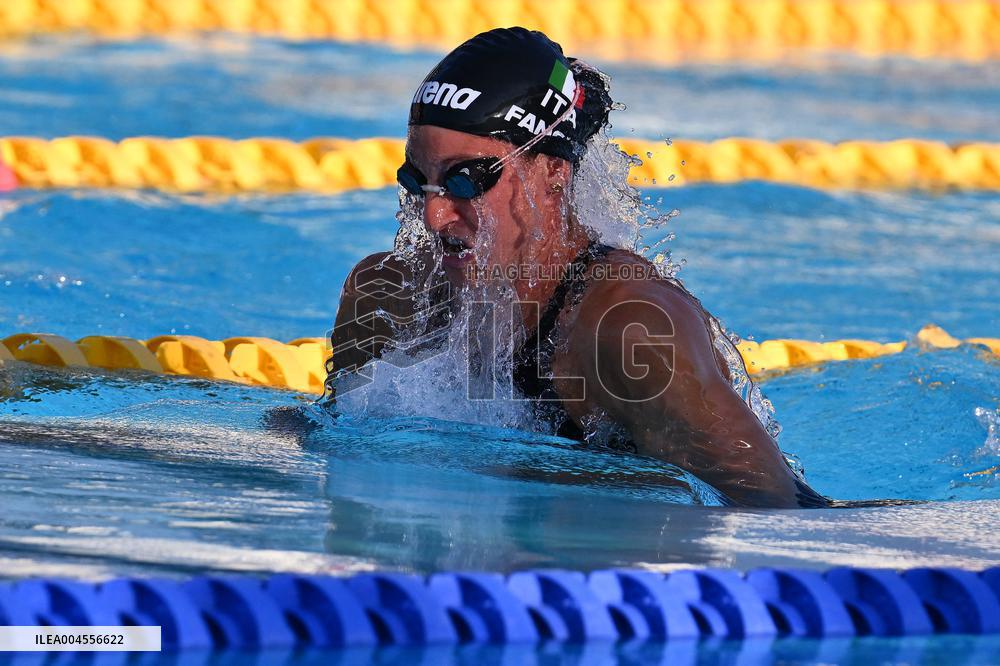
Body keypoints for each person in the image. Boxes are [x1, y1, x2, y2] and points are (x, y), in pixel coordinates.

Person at [327, 27, 827, 509]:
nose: (435, 215)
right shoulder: (387, 299)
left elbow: (773, 513)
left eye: (466, 181)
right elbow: (333, 454)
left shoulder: (629, 330)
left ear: (552, 174)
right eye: (419, 181)